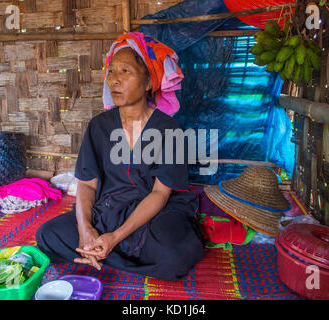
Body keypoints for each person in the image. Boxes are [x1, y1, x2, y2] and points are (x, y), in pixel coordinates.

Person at [36, 33, 204, 281]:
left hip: (154, 213)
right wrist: (85, 230)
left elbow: (160, 193)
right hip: (110, 208)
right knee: (47, 234)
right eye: (112, 71)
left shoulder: (170, 130)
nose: (115, 80)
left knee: (175, 255)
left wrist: (115, 237)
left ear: (148, 82)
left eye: (125, 71)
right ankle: (100, 249)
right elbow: (87, 184)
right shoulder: (99, 126)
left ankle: (100, 253)